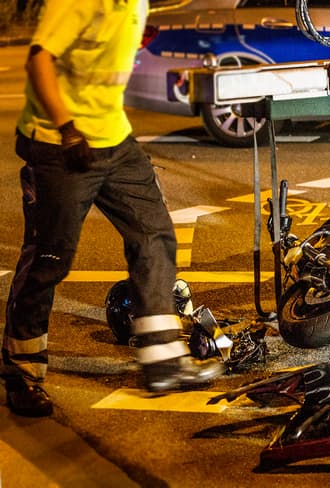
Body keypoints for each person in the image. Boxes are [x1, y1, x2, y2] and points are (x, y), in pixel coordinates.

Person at [1, 0, 224, 418]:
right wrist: (68, 129)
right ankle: (21, 374)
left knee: (154, 237)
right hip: (60, 144)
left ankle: (162, 361)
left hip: (115, 140)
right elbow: (39, 59)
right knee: (50, 258)